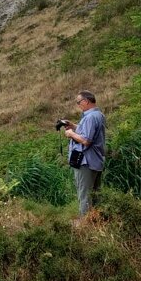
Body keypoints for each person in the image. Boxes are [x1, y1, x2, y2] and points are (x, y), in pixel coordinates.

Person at [60, 90, 105, 218]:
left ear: (85, 101)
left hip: (86, 162)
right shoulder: (98, 115)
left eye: (79, 102)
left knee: (84, 194)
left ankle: (85, 225)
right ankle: (98, 222)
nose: (78, 105)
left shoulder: (90, 117)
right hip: (95, 161)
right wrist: (73, 126)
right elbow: (87, 131)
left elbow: (86, 140)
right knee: (95, 194)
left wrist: (71, 134)